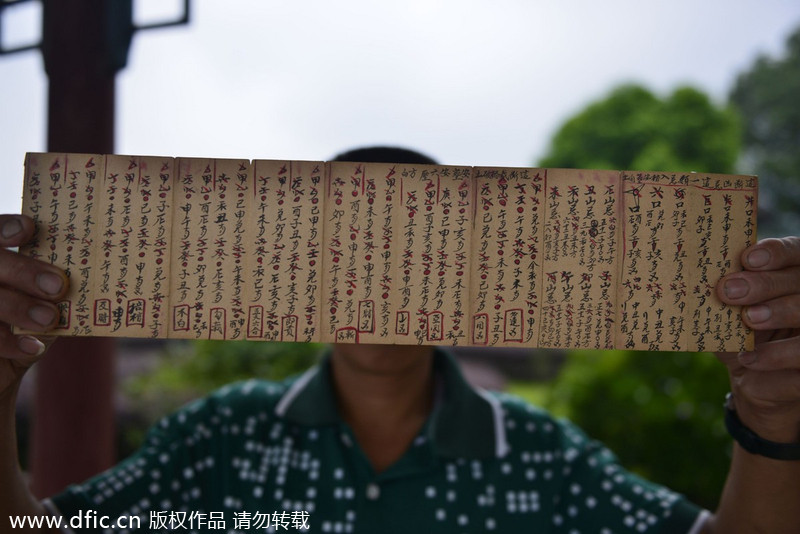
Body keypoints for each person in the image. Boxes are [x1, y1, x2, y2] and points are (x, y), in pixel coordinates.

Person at [1, 146, 799, 533]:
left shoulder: (538, 455)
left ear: (467, 270)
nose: (379, 274)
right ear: (297, 262)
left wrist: (772, 428)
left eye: (412, 241)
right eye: (347, 240)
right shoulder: (218, 440)